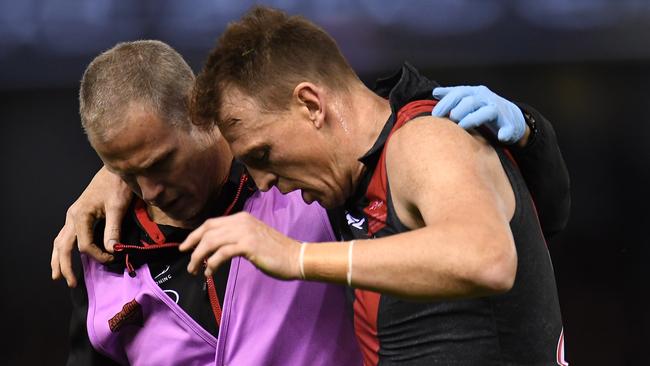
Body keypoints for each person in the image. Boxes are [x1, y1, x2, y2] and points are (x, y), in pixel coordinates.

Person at [181, 6, 570, 365]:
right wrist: (118, 174)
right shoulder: (350, 180)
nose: (263, 182)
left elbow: (488, 259)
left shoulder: (426, 140)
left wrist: (297, 258)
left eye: (262, 154)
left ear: (312, 105)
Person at [65, 40, 361, 366]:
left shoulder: (296, 176)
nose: (149, 192)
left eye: (160, 163)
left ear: (198, 113)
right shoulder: (103, 250)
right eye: (127, 174)